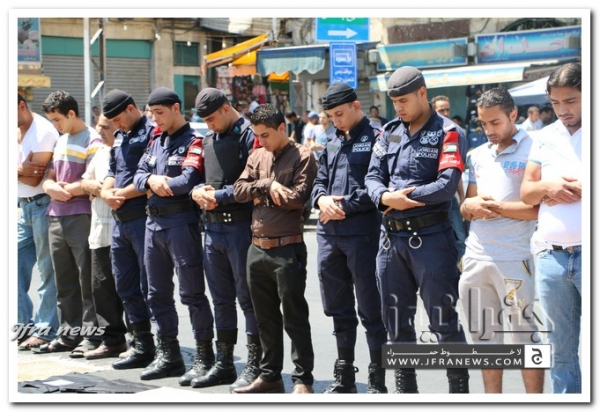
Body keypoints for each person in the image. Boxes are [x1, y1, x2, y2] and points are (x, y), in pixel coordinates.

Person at [365, 66, 470, 394]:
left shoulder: (448, 132)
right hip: (390, 241)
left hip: (431, 239)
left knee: (443, 321)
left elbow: (446, 185)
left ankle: (459, 393)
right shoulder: (390, 131)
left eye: (404, 101)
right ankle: (405, 391)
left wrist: (402, 198)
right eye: (394, 102)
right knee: (395, 321)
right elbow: (372, 176)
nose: (398, 107)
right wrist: (385, 197)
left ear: (422, 93)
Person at [458, 87, 543, 393]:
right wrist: (469, 206)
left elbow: (537, 210)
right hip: (476, 258)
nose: (489, 130)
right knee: (485, 341)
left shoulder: (536, 149)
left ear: (513, 115)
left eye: (495, 122)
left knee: (525, 340)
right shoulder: (478, 155)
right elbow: (467, 206)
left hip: (515, 259)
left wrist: (495, 208)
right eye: (483, 123)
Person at [232, 104, 317, 394]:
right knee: (264, 318)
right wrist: (267, 185)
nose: (261, 140)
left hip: (287, 248)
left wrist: (258, 193)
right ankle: (270, 376)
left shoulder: (303, 156)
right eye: (257, 135)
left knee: (294, 317)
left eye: (266, 135)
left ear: (282, 128)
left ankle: (303, 379)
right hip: (257, 248)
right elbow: (238, 191)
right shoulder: (257, 155)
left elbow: (297, 199)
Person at [132, 87, 215, 381]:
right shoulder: (155, 140)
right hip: (152, 224)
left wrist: (156, 183)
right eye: (151, 113)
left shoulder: (193, 141)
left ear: (176, 108)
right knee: (156, 293)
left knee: (191, 293)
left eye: (160, 113)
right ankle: (168, 354)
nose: (155, 119)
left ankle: (205, 355)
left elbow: (187, 181)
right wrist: (152, 180)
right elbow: (138, 176)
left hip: (181, 222)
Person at [311, 82, 388, 394]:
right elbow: (319, 181)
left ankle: (377, 379)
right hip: (330, 235)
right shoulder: (331, 141)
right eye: (331, 116)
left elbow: (378, 185)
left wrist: (343, 206)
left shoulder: (378, 138)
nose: (336, 121)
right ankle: (344, 376)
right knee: (337, 307)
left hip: (362, 235)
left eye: (340, 114)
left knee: (371, 309)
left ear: (357, 106)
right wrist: (321, 200)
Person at [188, 88, 260, 390]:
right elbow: (198, 178)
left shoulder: (250, 136)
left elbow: (253, 184)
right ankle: (225, 362)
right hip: (213, 229)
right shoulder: (209, 138)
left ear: (227, 109)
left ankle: (255, 364)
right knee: (221, 299)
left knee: (248, 299)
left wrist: (217, 195)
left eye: (212, 119)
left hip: (241, 228)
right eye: (205, 121)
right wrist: (198, 191)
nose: (210, 125)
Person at [520, 62, 582, 393]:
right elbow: (527, 192)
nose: (562, 110)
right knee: (559, 350)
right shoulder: (544, 137)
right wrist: (549, 186)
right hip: (551, 257)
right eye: (555, 103)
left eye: (570, 101)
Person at [34, 90, 103, 356]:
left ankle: (91, 336)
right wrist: (49, 186)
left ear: (71, 113)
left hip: (81, 215)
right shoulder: (61, 140)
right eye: (52, 120)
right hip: (55, 215)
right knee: (64, 281)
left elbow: (93, 180)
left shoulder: (92, 139)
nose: (55, 125)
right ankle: (68, 334)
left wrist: (66, 189)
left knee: (87, 279)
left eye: (57, 119)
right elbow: (49, 176)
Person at [100, 89, 157, 369]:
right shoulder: (120, 135)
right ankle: (141, 343)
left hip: (142, 218)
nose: (116, 125)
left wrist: (120, 194)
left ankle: (162, 345)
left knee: (150, 287)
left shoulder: (152, 133)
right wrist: (106, 191)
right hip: (119, 220)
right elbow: (113, 170)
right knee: (124, 284)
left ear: (131, 109)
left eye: (118, 119)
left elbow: (151, 176)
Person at [80, 115, 128, 359]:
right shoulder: (100, 152)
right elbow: (85, 180)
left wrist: (102, 189)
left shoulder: (127, 150)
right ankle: (112, 340)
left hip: (123, 230)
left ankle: (141, 341)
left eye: (105, 127)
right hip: (99, 231)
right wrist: (95, 188)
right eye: (98, 126)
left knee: (128, 288)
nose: (100, 131)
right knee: (101, 287)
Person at [17, 93, 60, 351]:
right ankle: (22, 325)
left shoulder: (42, 131)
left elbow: (34, 179)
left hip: (42, 204)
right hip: (22, 207)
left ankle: (46, 330)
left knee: (46, 270)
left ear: (21, 106)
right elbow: (25, 173)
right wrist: (19, 169)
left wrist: (19, 171)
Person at [431, 95, 468, 265]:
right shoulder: (428, 134)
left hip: (450, 199)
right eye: (441, 110)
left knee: (460, 238)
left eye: (447, 109)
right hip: (430, 201)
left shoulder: (454, 133)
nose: (446, 113)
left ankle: (462, 272)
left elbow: (455, 171)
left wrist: (462, 198)